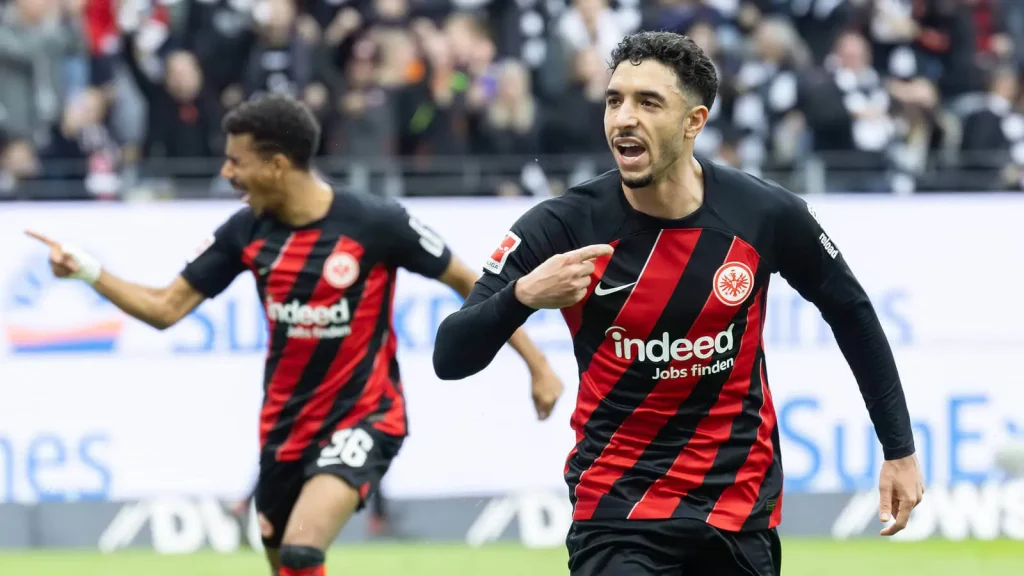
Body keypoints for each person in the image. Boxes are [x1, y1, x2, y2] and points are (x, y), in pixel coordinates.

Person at [432, 31, 925, 575]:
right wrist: (523, 295)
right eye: (615, 100)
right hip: (618, 511)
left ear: (694, 121)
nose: (623, 118)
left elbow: (851, 311)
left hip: (738, 510)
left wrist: (898, 449)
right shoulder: (564, 225)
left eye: (648, 102)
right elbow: (450, 356)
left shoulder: (762, 213)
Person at [26, 93, 563, 576]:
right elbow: (164, 308)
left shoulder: (376, 222)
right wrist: (88, 271)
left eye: (237, 160)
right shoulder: (245, 231)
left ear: (277, 165)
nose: (227, 172)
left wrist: (536, 363)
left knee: (304, 550)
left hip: (367, 415)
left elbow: (469, 281)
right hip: (284, 429)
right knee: (286, 563)